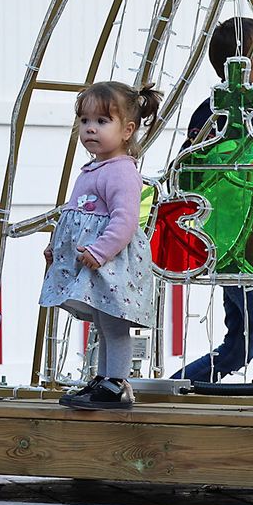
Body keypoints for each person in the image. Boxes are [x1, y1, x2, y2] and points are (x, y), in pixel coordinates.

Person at [173, 17, 253, 386]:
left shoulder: (215, 113)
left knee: (238, 347)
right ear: (239, 66)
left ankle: (181, 385)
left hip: (233, 242)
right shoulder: (240, 117)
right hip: (242, 248)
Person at [41, 82, 162, 411]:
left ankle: (117, 382)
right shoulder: (93, 169)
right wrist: (58, 247)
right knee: (102, 322)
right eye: (85, 121)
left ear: (127, 130)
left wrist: (100, 251)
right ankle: (105, 378)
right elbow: (75, 214)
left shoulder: (122, 172)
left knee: (114, 322)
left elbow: (124, 222)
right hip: (95, 265)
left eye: (102, 122)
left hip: (112, 264)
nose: (90, 129)